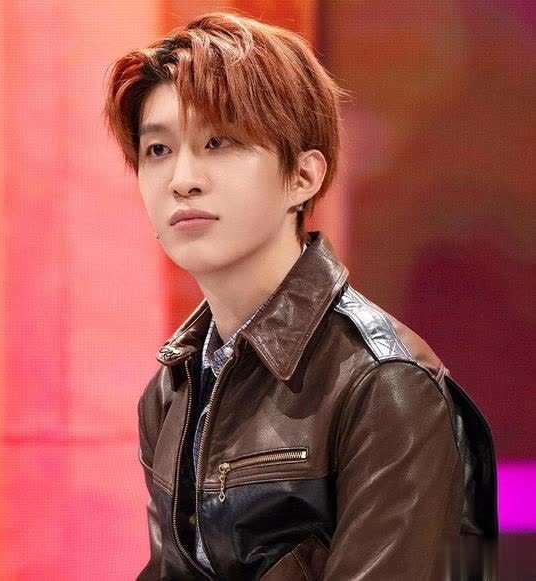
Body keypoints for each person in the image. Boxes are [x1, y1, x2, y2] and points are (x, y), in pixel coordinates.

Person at [104, 11, 497, 580]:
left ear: (303, 176)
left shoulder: (384, 384)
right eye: (158, 150)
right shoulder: (174, 388)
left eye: (218, 142)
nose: (182, 179)